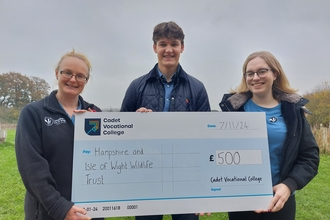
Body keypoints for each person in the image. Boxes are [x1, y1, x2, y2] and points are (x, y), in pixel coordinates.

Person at [121, 21, 211, 220]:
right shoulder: (137, 87)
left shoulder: (197, 88)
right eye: (163, 44)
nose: (168, 49)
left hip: (186, 178)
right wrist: (134, 123)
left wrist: (204, 185)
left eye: (174, 44)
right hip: (147, 178)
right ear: (155, 47)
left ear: (182, 47)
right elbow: (121, 135)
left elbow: (206, 140)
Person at [219, 51, 319, 220]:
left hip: (280, 201)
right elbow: (217, 154)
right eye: (250, 73)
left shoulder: (293, 112)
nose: (255, 77)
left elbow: (309, 156)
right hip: (242, 202)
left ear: (275, 74)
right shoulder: (233, 110)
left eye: (262, 71)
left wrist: (289, 185)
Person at [15, 50, 103, 220]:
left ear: (86, 80)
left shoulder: (94, 114)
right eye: (67, 73)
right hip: (49, 212)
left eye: (80, 76)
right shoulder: (33, 113)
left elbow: (112, 156)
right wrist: (60, 208)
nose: (73, 79)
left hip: (88, 212)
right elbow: (31, 168)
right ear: (57, 73)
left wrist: (140, 121)